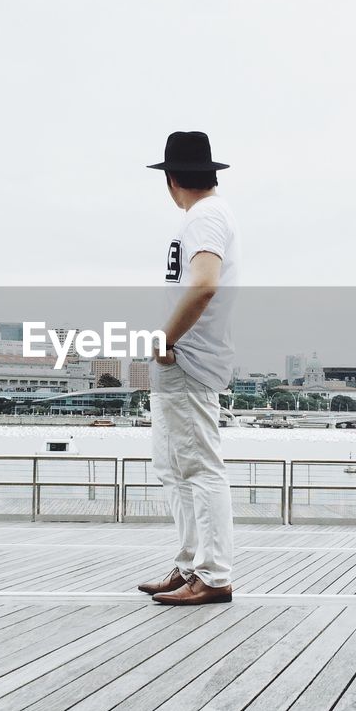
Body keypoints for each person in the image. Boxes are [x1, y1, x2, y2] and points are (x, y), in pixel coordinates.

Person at [137, 131, 240, 605]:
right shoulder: (206, 217)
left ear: (171, 178)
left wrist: (165, 339)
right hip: (182, 359)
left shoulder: (204, 217)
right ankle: (190, 564)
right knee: (173, 468)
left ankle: (214, 576)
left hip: (187, 359)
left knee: (198, 469)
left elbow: (203, 285)